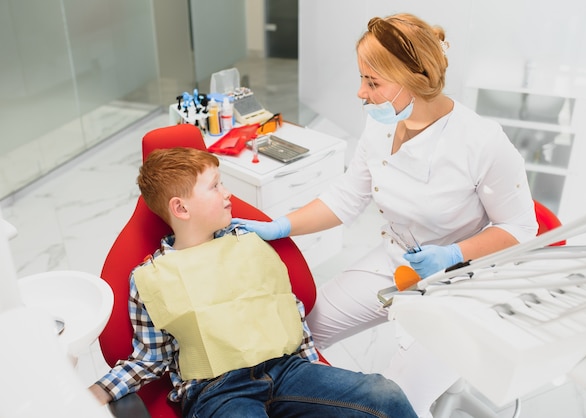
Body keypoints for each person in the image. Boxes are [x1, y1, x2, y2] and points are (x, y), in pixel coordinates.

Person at [232, 12, 538, 417]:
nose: (361, 93)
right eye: (362, 78)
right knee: (292, 334)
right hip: (396, 260)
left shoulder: (481, 142)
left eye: (372, 82)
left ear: (415, 78)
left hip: (460, 284)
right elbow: (346, 198)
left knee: (391, 403)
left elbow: (521, 228)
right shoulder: (381, 125)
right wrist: (282, 225)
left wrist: (451, 255)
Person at [88, 147, 417, 418]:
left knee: (384, 395)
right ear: (181, 207)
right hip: (217, 391)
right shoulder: (151, 278)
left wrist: (314, 369)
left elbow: (288, 308)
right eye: (215, 186)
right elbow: (150, 357)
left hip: (287, 370)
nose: (227, 193)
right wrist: (101, 389)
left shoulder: (248, 242)